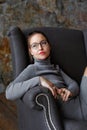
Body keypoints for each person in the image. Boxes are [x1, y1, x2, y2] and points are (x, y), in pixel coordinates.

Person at [5, 31, 87, 121]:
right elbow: (9, 93)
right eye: (34, 45)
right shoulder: (32, 69)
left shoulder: (56, 68)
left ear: (49, 46)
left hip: (80, 101)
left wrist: (69, 91)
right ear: (30, 51)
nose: (40, 48)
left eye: (43, 43)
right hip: (76, 112)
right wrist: (39, 80)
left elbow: (73, 84)